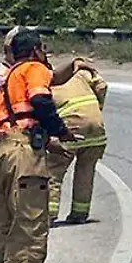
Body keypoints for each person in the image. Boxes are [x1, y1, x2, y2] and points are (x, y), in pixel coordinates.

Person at [0, 29, 72, 263]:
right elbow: (42, 102)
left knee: (4, 229)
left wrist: (47, 139)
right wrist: (61, 131)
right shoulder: (33, 69)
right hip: (23, 156)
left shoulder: (3, 80)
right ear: (36, 50)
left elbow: (10, 120)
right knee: (29, 230)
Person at [47, 58, 109, 225]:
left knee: (53, 172)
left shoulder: (45, 83)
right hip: (96, 131)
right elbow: (102, 86)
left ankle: (49, 214)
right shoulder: (81, 74)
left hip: (70, 130)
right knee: (86, 171)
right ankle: (79, 214)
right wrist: (98, 108)